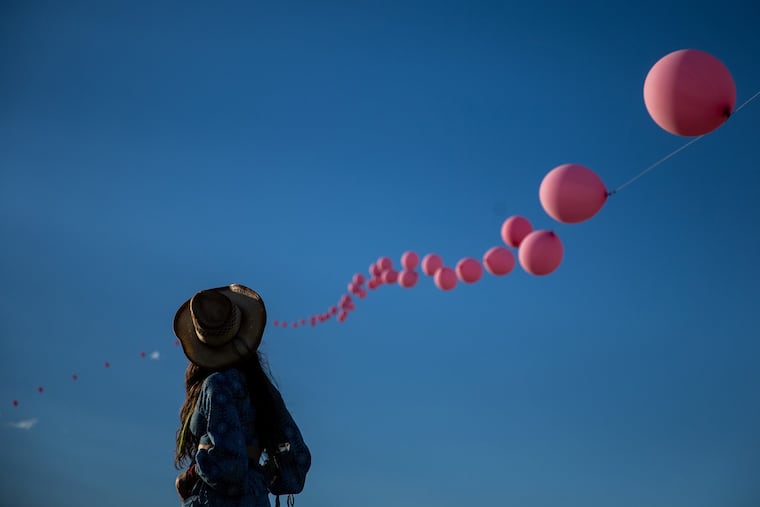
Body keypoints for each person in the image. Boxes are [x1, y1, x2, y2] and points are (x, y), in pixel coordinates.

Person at [172, 283, 299, 506]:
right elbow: (297, 458)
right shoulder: (261, 389)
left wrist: (191, 476)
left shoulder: (216, 384)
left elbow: (230, 465)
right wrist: (261, 477)